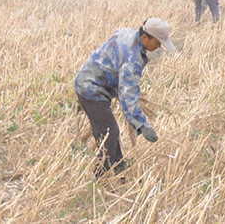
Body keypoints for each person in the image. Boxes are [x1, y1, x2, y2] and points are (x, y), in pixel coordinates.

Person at [74, 18, 176, 177]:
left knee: (109, 131)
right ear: (144, 38)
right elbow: (127, 97)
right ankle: (102, 177)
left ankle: (121, 171)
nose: (159, 46)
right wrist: (141, 125)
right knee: (110, 132)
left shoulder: (128, 32)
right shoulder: (133, 60)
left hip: (92, 80)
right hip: (91, 89)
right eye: (157, 42)